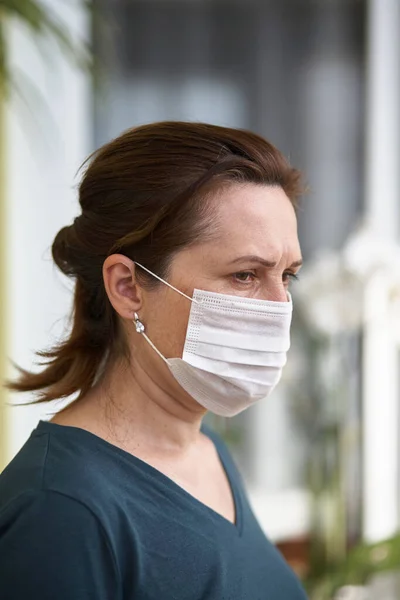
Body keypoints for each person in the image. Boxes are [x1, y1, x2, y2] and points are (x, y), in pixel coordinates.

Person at [0, 122, 306, 599]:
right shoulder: (61, 511)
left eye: (287, 276)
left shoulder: (206, 451)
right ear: (128, 286)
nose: (278, 307)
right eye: (245, 275)